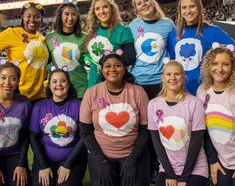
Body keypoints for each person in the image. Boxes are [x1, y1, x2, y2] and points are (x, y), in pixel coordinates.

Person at [80, 52, 150, 186]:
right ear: (102, 70)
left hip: (133, 153)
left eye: (117, 65)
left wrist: (132, 160)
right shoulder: (91, 93)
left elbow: (145, 130)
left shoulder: (138, 92)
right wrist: (101, 162)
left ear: (125, 69)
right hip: (101, 155)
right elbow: (86, 132)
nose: (112, 69)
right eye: (107, 66)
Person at [148, 60, 208, 186]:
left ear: (183, 77)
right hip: (167, 167)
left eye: (177, 74)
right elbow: (157, 142)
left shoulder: (194, 104)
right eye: (168, 74)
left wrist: (184, 178)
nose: (173, 78)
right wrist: (170, 173)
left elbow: (196, 142)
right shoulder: (153, 104)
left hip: (195, 169)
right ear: (163, 77)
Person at [168, 0, 235, 95]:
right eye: (184, 8)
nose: (188, 11)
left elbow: (232, 49)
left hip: (204, 90)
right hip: (179, 90)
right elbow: (172, 63)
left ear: (199, 8)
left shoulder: (213, 31)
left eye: (192, 6)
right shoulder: (173, 35)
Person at [29, 68, 87, 186]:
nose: (59, 84)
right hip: (45, 158)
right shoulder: (39, 106)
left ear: (69, 84)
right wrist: (43, 165)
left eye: (63, 81)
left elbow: (83, 137)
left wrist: (68, 165)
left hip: (72, 158)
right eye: (54, 81)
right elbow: (33, 137)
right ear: (49, 85)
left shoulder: (79, 105)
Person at [197, 44, 235, 186]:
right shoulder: (202, 91)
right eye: (215, 63)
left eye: (225, 64)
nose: (219, 69)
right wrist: (213, 160)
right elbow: (204, 130)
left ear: (232, 67)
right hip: (220, 159)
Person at [130, 0, 175, 99]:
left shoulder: (168, 24)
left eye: (146, 0)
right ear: (136, 9)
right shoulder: (132, 26)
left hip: (162, 80)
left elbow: (173, 52)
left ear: (152, 2)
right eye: (139, 3)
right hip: (139, 80)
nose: (144, 4)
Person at [0, 2, 49, 101]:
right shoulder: (11, 33)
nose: (32, 20)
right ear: (22, 17)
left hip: (39, 97)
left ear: (41, 19)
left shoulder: (42, 39)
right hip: (16, 96)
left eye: (37, 17)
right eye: (28, 16)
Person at [85, 0, 136, 87]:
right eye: (97, 9)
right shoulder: (92, 31)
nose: (102, 11)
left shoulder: (123, 30)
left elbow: (130, 58)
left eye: (105, 7)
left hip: (114, 82)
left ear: (112, 9)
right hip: (93, 82)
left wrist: (107, 63)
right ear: (94, 13)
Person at [46, 0, 87, 99]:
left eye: (74, 14)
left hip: (80, 89)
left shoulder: (85, 38)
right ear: (60, 16)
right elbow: (44, 63)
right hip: (58, 89)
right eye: (66, 14)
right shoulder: (50, 38)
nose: (70, 18)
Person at [0, 63, 32, 186]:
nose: (7, 82)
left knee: (20, 182)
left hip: (14, 154)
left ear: (18, 81)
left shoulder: (24, 103)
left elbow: (25, 135)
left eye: (13, 78)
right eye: (3, 77)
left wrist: (21, 164)